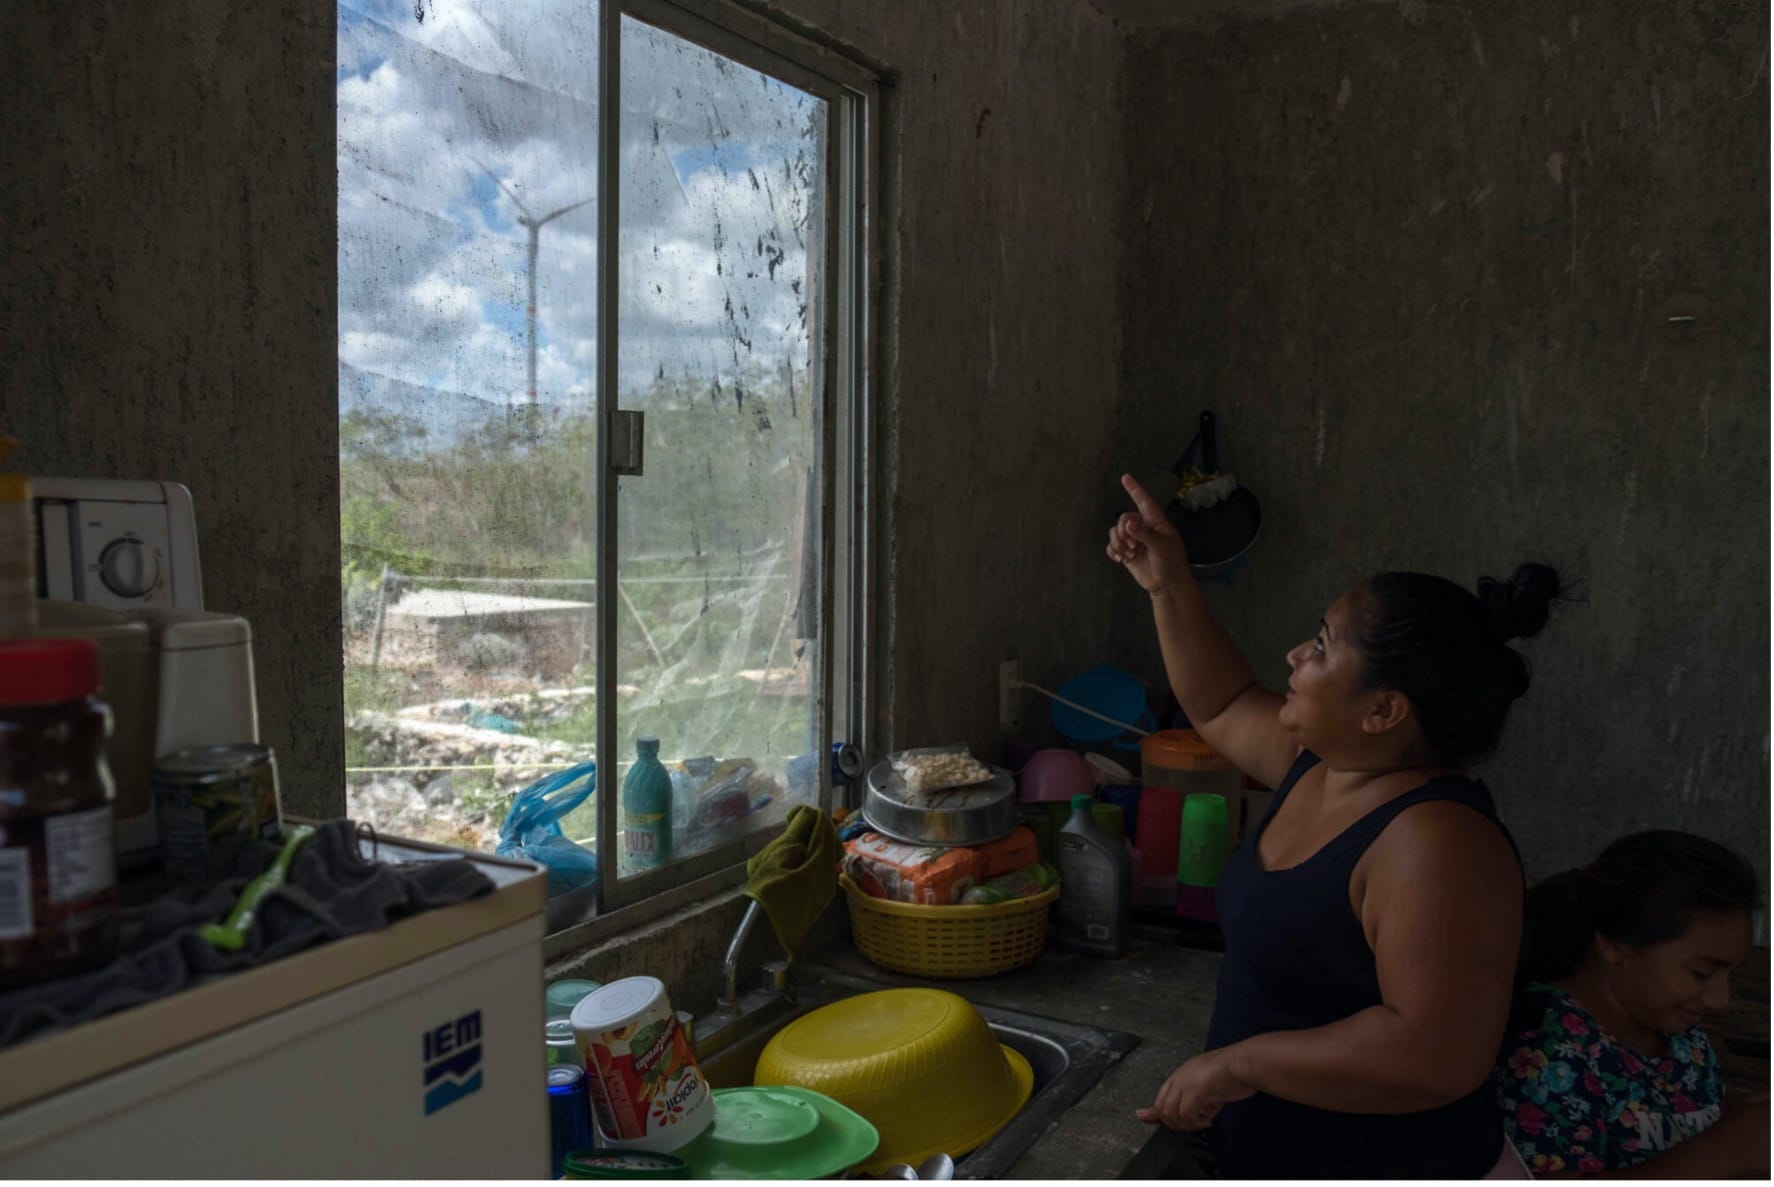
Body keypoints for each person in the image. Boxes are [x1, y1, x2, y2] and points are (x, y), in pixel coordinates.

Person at [1106, 472, 1561, 1178]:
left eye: (1320, 646)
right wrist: (1167, 584)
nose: (1295, 655)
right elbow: (1222, 702)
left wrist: (1240, 1064)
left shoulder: (1436, 841)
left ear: (1383, 711)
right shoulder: (1320, 763)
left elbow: (1435, 1051)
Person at [1494, 830, 1767, 1178]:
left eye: (1731, 976)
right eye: (1701, 973)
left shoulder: (1682, 1038)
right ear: (1615, 944)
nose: (1721, 1001)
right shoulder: (1544, 1053)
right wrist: (1724, 1154)